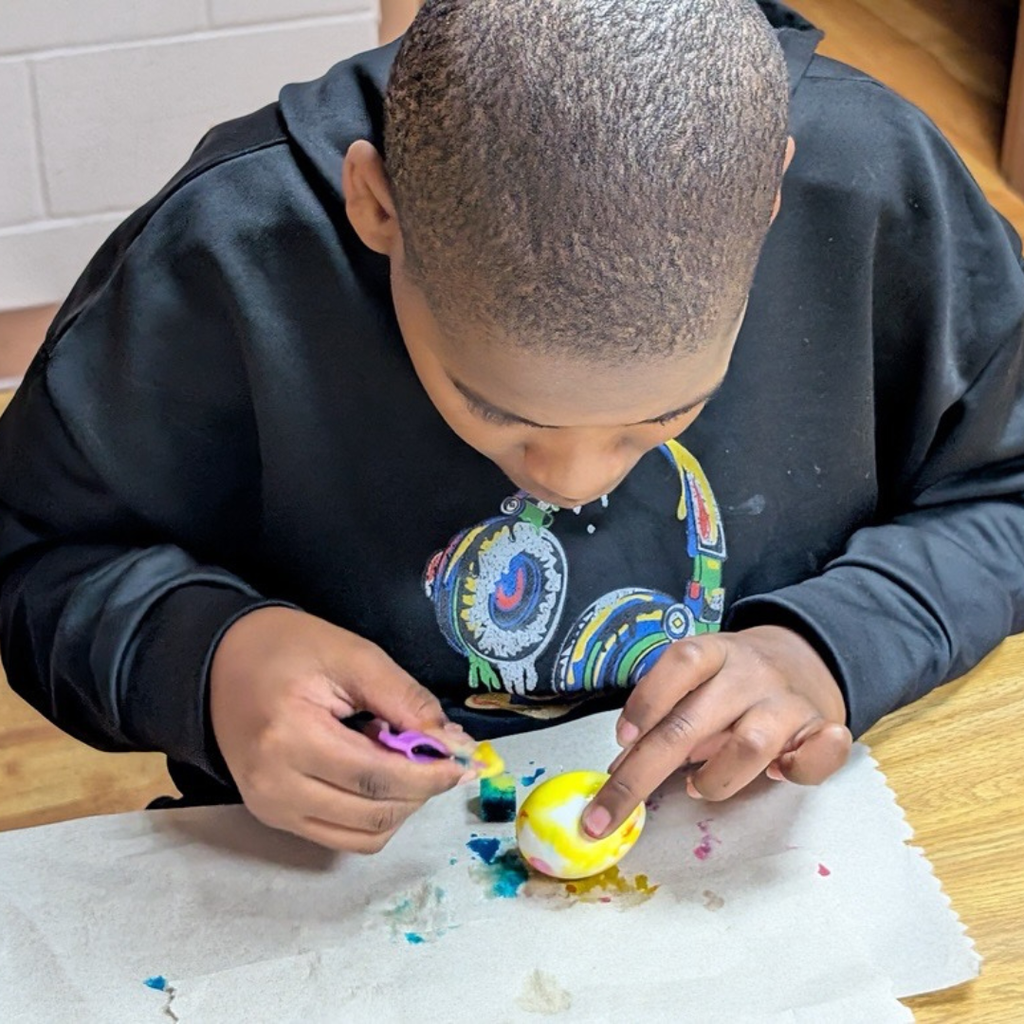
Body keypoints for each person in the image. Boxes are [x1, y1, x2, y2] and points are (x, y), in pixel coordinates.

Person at [1, 0, 1022, 853]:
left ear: (768, 204)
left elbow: (1005, 494)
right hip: (325, 871)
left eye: (663, 417)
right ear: (376, 206)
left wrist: (829, 648)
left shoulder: (872, 190)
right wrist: (212, 657)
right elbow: (40, 560)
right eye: (496, 408)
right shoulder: (227, 253)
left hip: (757, 838)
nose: (574, 484)